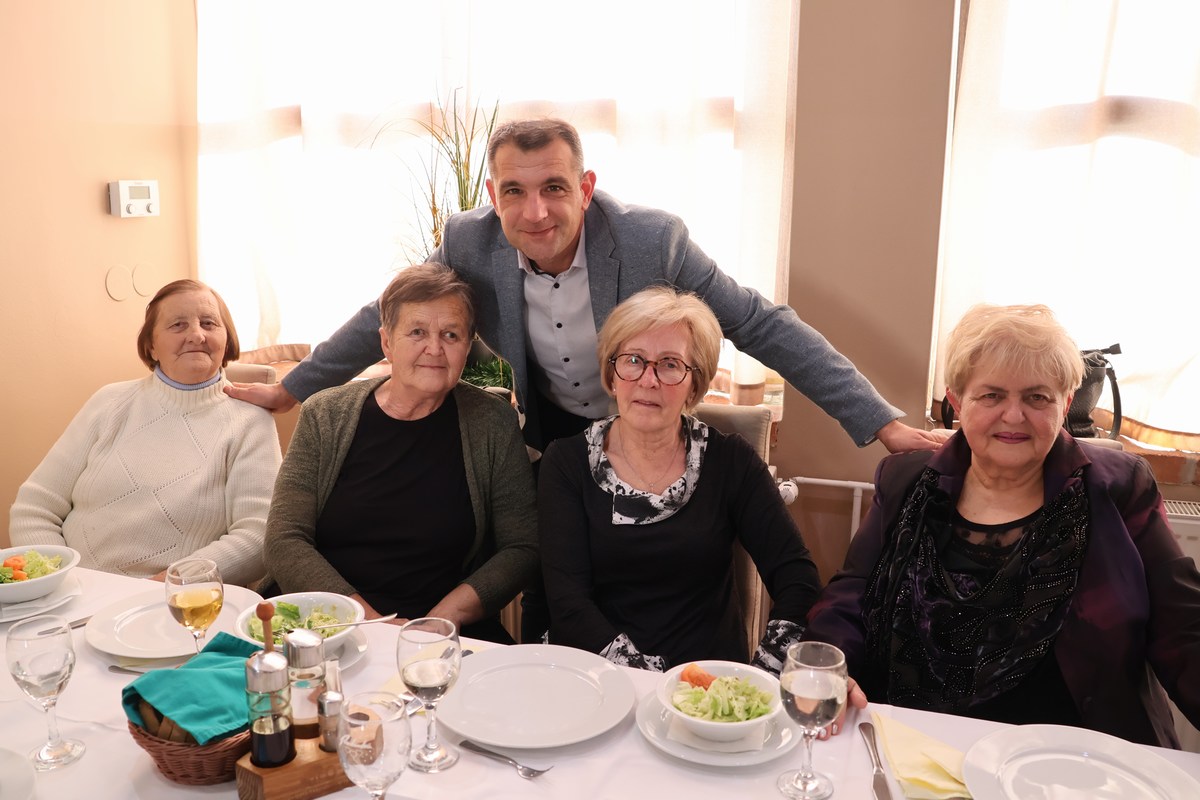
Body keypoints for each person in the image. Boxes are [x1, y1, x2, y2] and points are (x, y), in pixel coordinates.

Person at [225, 117, 946, 456]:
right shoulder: (469, 242)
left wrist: (881, 422)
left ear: (586, 187)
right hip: (554, 438)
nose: (535, 212)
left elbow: (762, 324)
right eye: (514, 191)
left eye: (554, 188)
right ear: (493, 194)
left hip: (646, 424)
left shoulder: (651, 242)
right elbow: (383, 316)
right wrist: (293, 390)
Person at [804, 303, 1200, 747]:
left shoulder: (1119, 486)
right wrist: (828, 670)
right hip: (911, 745)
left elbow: (1184, 626)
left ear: (1066, 404)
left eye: (1037, 397)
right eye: (992, 395)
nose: (1014, 416)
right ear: (957, 402)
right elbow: (850, 593)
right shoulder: (906, 481)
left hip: (1073, 757)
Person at [538, 286, 821, 671]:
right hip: (602, 679)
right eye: (633, 360)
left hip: (710, 682)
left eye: (670, 364)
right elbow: (568, 604)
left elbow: (797, 577)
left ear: (694, 384)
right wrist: (648, 682)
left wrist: (765, 672)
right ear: (612, 374)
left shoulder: (731, 460)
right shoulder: (566, 462)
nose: (648, 380)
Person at [263, 263, 538, 643]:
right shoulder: (325, 415)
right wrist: (367, 623)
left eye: (451, 334)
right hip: (325, 624)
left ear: (468, 345)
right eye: (417, 332)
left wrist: (444, 618)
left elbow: (522, 546)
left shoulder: (492, 421)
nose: (434, 349)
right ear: (386, 342)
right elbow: (284, 539)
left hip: (442, 629)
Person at [10, 280, 281, 586]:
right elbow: (34, 508)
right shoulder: (108, 402)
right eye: (178, 325)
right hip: (72, 592)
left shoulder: (250, 420)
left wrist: (164, 585)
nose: (196, 335)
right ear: (151, 345)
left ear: (227, 339)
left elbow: (257, 536)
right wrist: (63, 581)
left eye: (209, 323)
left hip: (173, 600)